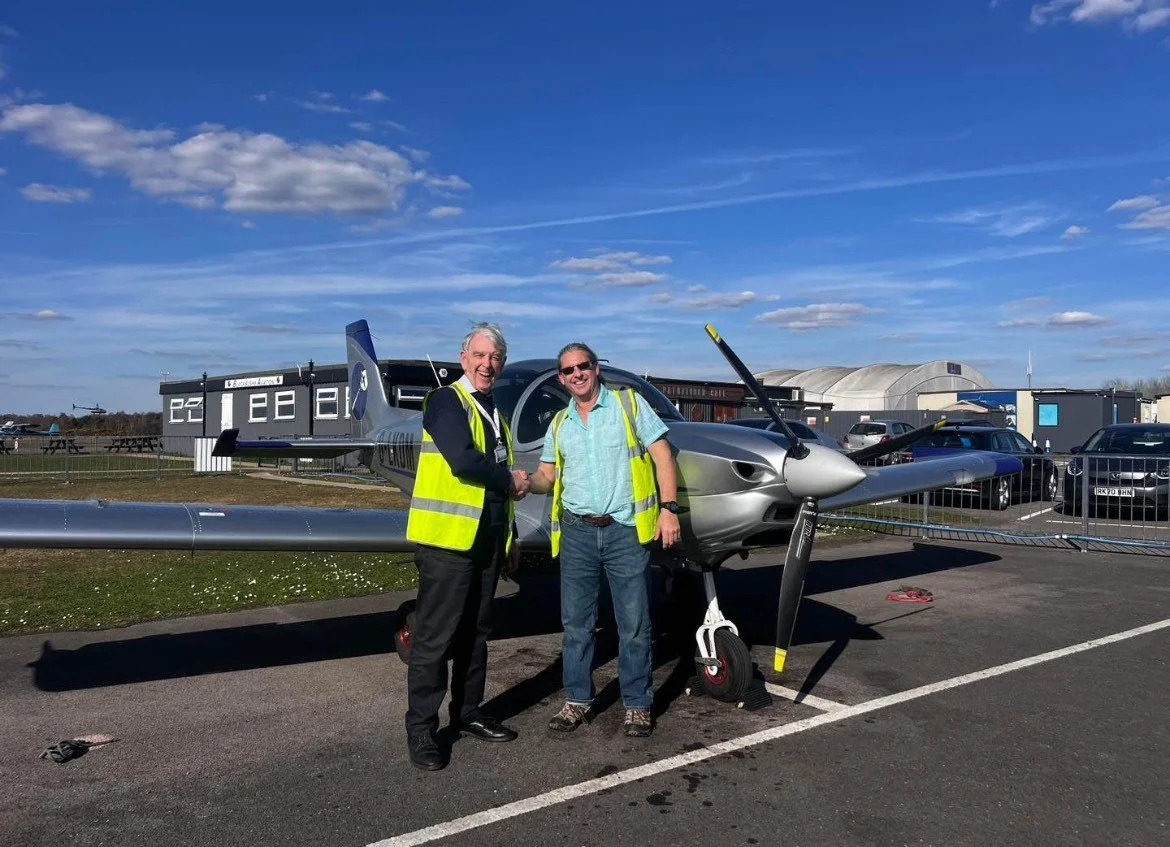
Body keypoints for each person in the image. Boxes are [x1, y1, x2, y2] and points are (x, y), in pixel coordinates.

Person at [527, 342, 681, 738]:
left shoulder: (628, 405)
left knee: (634, 624)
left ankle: (637, 704)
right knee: (576, 624)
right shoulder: (560, 422)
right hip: (577, 532)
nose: (576, 374)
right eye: (567, 371)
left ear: (595, 369)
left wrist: (668, 508)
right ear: (561, 379)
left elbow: (663, 455)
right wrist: (525, 482)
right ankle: (577, 699)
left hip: (624, 530)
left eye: (582, 366)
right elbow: (547, 474)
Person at [403, 322, 529, 771]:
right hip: (448, 544)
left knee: (476, 636)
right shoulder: (445, 402)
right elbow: (464, 461)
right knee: (435, 640)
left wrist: (509, 536)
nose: (487, 364)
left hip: (488, 541)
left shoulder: (494, 411)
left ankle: (469, 712)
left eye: (495, 357)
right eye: (479, 355)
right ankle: (421, 729)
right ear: (463, 358)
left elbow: (498, 487)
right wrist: (512, 479)